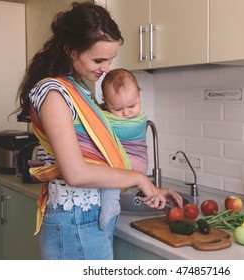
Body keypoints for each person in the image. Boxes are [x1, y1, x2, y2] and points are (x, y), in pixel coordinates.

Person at [14, 1, 183, 260]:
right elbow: (76, 173)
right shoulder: (54, 93)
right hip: (76, 219)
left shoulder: (79, 89)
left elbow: (99, 155)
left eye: (110, 60)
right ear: (71, 50)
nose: (106, 68)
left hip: (86, 217)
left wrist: (152, 190)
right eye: (98, 59)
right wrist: (140, 179)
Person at [99, 68, 149, 229]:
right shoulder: (131, 111)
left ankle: (110, 205)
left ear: (139, 95)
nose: (127, 113)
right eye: (118, 109)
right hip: (136, 164)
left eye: (132, 105)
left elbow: (95, 120)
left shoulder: (137, 120)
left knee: (109, 178)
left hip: (132, 162)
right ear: (106, 103)